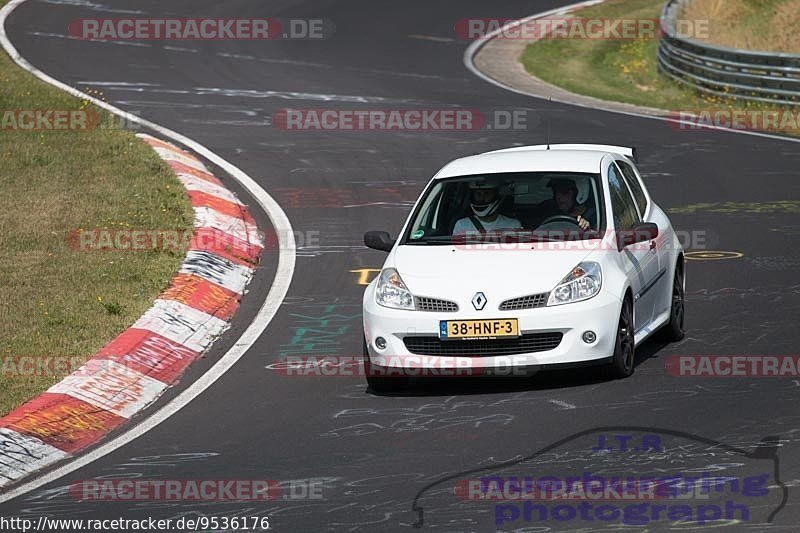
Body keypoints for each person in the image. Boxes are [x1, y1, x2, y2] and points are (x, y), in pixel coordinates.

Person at [453, 181, 521, 235]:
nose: (482, 198)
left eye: (487, 193)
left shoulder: (513, 225)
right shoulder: (462, 225)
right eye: (478, 194)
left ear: (496, 196)